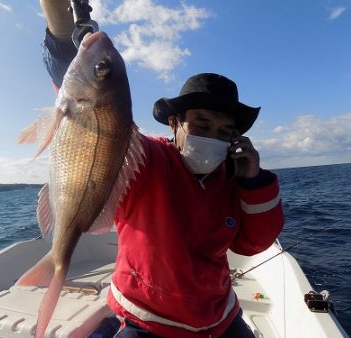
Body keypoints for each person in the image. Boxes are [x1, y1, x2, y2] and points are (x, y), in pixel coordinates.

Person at [39, 1, 284, 337]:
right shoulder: (145, 158)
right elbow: (83, 93)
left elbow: (250, 245)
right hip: (146, 320)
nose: (213, 137)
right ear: (174, 124)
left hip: (220, 317)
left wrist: (254, 182)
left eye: (224, 131)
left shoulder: (233, 178)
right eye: (201, 124)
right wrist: (57, 15)